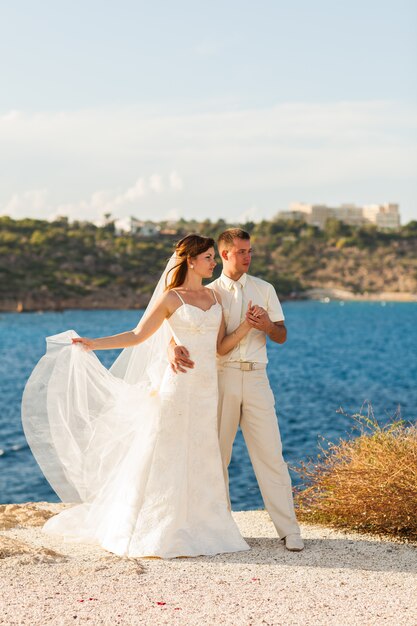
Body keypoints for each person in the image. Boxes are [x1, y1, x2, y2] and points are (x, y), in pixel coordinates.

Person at [21, 234, 251, 559]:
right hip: (178, 385)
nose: (215, 262)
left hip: (205, 388)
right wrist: (93, 343)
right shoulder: (172, 298)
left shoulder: (215, 298)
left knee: (201, 451)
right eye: (210, 257)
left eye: (214, 257)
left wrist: (246, 329)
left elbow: (219, 347)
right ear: (191, 260)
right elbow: (138, 335)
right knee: (167, 452)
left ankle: (206, 527)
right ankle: (156, 530)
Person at [169, 228, 304, 552]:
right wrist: (172, 347)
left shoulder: (264, 289)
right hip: (222, 378)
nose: (248, 257)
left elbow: (282, 335)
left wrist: (266, 326)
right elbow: (182, 328)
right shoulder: (211, 293)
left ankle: (289, 530)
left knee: (271, 455)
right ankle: (223, 528)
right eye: (242, 251)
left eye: (250, 251)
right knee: (218, 456)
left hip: (258, 378)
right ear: (226, 254)